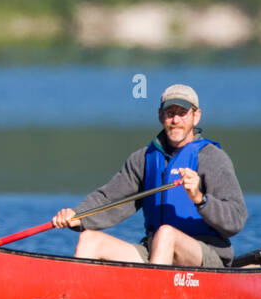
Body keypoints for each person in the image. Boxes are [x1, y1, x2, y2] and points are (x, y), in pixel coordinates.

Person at [52, 84, 247, 267]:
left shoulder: (213, 158)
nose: (176, 120)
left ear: (196, 116)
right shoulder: (143, 159)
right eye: (170, 114)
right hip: (156, 253)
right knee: (90, 239)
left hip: (205, 255)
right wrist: (78, 216)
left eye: (182, 114)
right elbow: (110, 199)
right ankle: (71, 298)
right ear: (161, 116)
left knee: (166, 234)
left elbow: (236, 220)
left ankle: (151, 298)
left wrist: (200, 199)